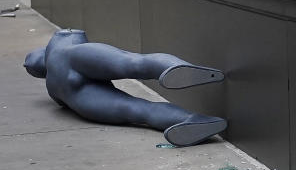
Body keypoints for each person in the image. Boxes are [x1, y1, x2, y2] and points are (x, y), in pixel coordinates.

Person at [24, 29, 227, 146]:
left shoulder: (53, 87)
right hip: (77, 62)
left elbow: (61, 102)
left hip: (76, 93)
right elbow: (79, 34)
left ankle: (192, 119)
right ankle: (177, 69)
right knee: (133, 63)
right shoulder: (61, 41)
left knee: (137, 109)